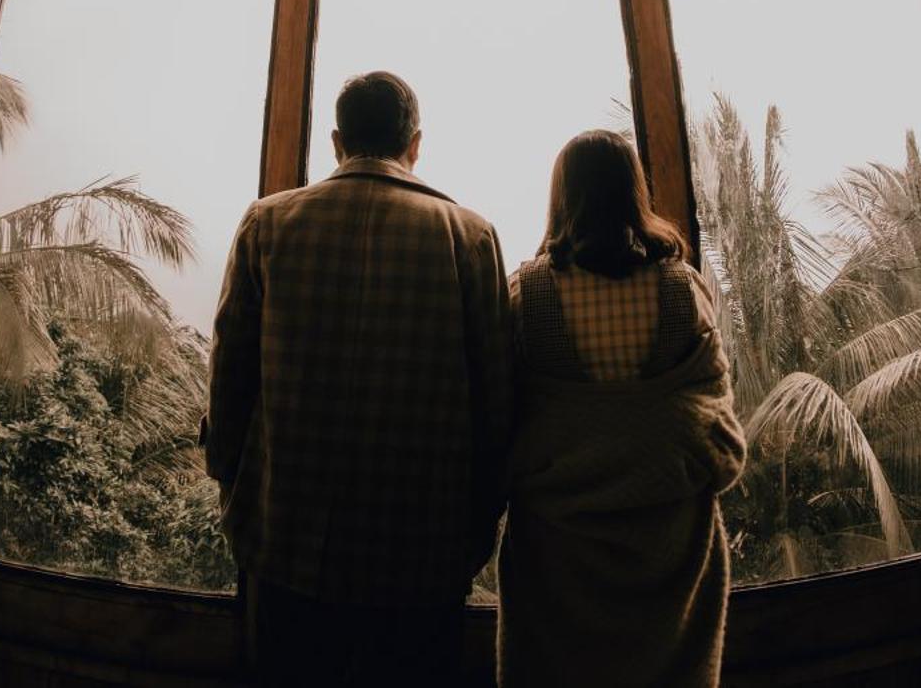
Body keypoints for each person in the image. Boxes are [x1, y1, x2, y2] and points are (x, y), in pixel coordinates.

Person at [205, 71, 513, 687]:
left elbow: (230, 377)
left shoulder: (267, 224)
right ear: (416, 144)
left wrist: (233, 484)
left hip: (285, 540)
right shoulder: (470, 237)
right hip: (423, 556)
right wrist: (477, 525)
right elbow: (495, 403)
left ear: (337, 142)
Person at [497, 129, 747, 687]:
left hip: (556, 554)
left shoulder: (525, 296)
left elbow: (498, 417)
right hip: (673, 549)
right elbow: (714, 412)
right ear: (636, 192)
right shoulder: (684, 288)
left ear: (561, 197)